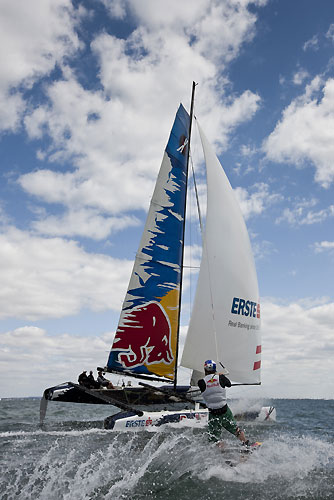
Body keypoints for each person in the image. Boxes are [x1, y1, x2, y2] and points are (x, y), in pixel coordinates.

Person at [198, 359, 249, 447]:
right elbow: (228, 384)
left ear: (205, 370)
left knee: (214, 439)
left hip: (213, 414)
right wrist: (221, 376)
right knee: (236, 430)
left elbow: (209, 383)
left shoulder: (201, 382)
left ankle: (223, 454)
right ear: (215, 369)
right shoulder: (221, 378)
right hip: (225, 411)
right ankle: (246, 444)